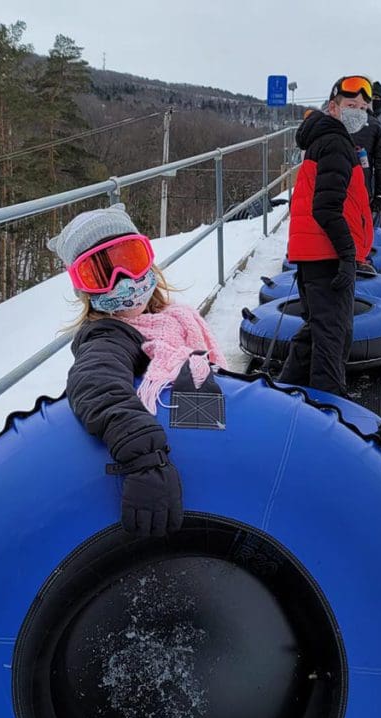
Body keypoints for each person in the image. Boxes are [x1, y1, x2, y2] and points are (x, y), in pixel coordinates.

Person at [51, 204, 227, 538]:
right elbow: (96, 383)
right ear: (84, 290)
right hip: (160, 461)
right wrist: (145, 460)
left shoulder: (173, 322)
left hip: (201, 456)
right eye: (101, 275)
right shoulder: (108, 335)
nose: (124, 281)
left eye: (129, 261)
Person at [277, 76, 374, 397]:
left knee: (318, 330)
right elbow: (326, 208)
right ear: (333, 108)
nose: (358, 112)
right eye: (350, 106)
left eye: (364, 107)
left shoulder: (331, 139)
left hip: (316, 252)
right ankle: (328, 414)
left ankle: (282, 391)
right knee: (334, 338)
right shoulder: (335, 142)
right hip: (327, 253)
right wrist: (348, 256)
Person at [351, 105, 381, 227]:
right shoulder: (375, 125)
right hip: (362, 189)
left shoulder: (334, 120)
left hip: (337, 188)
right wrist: (380, 194)